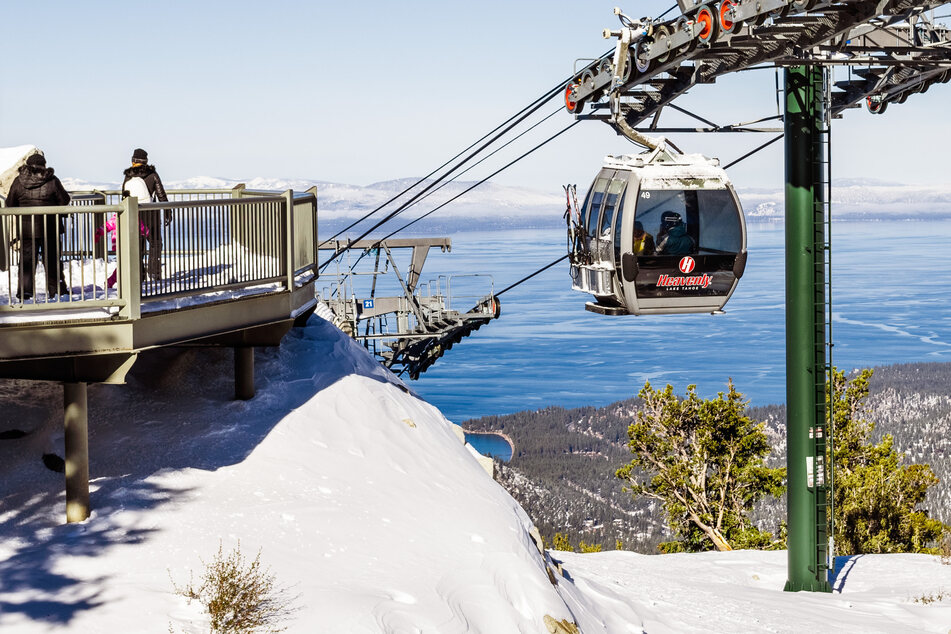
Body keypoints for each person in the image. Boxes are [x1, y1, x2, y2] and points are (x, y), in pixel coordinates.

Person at [6, 153, 71, 301]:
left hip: (27, 228)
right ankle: (57, 290)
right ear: (44, 165)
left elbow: (10, 204)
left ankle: (24, 291)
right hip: (50, 227)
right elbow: (64, 200)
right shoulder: (52, 180)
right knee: (52, 259)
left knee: (27, 260)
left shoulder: (18, 181)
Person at [122, 148, 170, 280]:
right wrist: (167, 211)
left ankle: (139, 275)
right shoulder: (153, 174)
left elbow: (124, 197)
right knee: (155, 243)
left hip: (135, 215)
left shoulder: (128, 176)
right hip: (151, 214)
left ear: (133, 161)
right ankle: (154, 272)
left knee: (138, 245)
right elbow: (161, 194)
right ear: (146, 161)